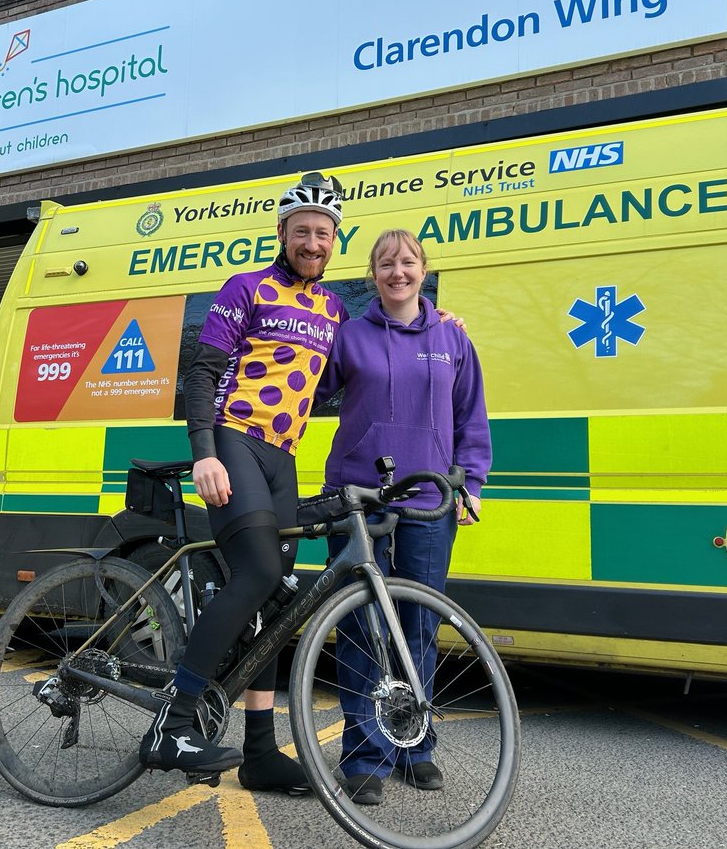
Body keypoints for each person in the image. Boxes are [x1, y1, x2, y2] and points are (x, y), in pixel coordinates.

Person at [140, 172, 349, 794]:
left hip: (282, 456)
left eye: (324, 232)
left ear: (335, 241)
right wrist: (204, 452)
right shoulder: (246, 287)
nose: (313, 241)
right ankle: (171, 725)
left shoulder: (334, 307)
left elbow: (345, 375)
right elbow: (201, 373)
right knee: (256, 573)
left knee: (279, 598)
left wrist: (428, 319)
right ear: (282, 233)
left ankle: (259, 752)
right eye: (302, 230)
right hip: (233, 437)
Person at [316, 228, 491, 806]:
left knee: (417, 625)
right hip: (357, 498)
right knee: (361, 630)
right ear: (373, 276)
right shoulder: (350, 337)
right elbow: (309, 394)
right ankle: (365, 756)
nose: (398, 272)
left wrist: (471, 483)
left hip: (429, 499)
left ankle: (415, 747)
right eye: (387, 265)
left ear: (424, 270)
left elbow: (471, 417)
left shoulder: (452, 337)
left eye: (408, 262)